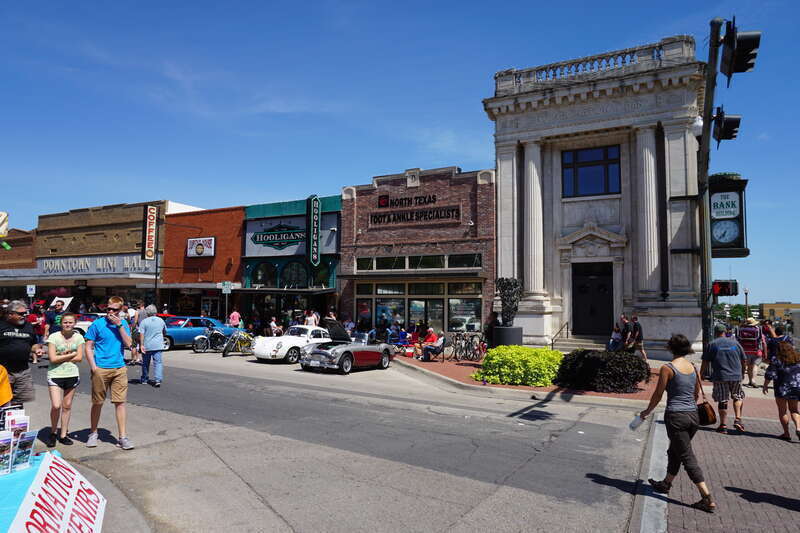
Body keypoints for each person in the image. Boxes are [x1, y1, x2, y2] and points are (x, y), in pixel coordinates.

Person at [640, 334, 716, 513]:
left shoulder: (668, 368)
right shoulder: (693, 367)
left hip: (676, 416)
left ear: (670, 348)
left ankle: (706, 497)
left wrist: (646, 412)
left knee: (687, 456)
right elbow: (696, 394)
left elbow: (658, 395)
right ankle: (666, 483)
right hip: (693, 416)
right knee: (675, 450)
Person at [84, 296, 134, 450]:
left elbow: (129, 344)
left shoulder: (123, 323)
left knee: (120, 403)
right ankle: (93, 433)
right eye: (108, 309)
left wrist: (119, 326)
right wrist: (94, 367)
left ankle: (122, 437)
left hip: (119, 368)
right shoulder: (97, 324)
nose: (110, 312)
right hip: (101, 368)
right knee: (97, 402)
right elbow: (88, 346)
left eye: (114, 309)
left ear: (121, 310)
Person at [46, 312, 84, 447]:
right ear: (61, 323)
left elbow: (79, 358)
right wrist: (71, 354)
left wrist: (61, 355)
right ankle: (52, 432)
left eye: (70, 322)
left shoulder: (79, 337)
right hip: (55, 374)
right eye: (65, 322)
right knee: (56, 405)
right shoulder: (54, 337)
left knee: (67, 406)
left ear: (75, 324)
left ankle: (63, 434)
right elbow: (52, 359)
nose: (67, 324)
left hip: (72, 374)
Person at [701, 324, 746, 434]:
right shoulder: (735, 343)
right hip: (736, 375)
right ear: (725, 332)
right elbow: (743, 360)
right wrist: (743, 372)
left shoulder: (712, 344)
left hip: (720, 376)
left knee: (723, 400)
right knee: (738, 396)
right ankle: (738, 419)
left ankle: (723, 425)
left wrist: (701, 374)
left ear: (715, 332)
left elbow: (705, 362)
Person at [0, 301, 43, 405]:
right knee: (3, 401)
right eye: (21, 314)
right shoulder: (1, 325)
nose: (24, 316)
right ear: (10, 314)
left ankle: (16, 420)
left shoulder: (28, 326)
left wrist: (37, 349)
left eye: (25, 313)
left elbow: (33, 344)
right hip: (4, 371)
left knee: (19, 402)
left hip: (23, 371)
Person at [762, 326, 799, 440]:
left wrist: (765, 385)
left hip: (781, 388)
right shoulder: (797, 359)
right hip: (796, 387)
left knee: (782, 411)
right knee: (794, 410)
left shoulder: (776, 360)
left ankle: (786, 433)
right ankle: (798, 428)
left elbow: (770, 374)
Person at [139, 304, 166, 388]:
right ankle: (158, 380)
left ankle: (144, 379)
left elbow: (141, 334)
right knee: (158, 363)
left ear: (147, 313)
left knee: (145, 363)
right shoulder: (161, 320)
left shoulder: (144, 321)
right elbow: (164, 331)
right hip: (158, 345)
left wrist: (141, 345)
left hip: (147, 345)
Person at [736, 317, 766, 388]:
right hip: (756, 351)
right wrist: (765, 353)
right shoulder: (758, 330)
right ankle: (753, 380)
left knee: (747, 366)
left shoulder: (741, 330)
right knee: (755, 366)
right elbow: (763, 342)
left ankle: (742, 381)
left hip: (744, 351)